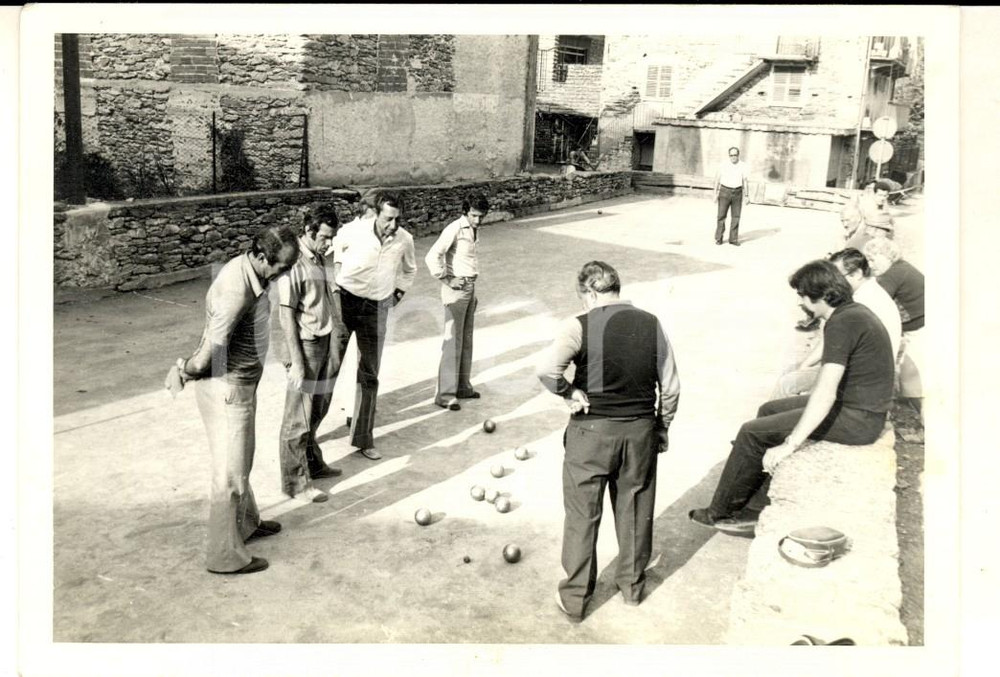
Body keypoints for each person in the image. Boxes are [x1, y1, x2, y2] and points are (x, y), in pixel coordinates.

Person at [690, 260, 895, 535]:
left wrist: (791, 442)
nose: (801, 302)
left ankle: (724, 511)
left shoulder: (842, 323)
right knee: (769, 409)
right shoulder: (852, 312)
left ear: (822, 296)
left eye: (802, 295)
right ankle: (757, 497)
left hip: (859, 419)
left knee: (750, 432)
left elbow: (825, 390)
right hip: (860, 408)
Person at [537, 261, 681, 622]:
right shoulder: (651, 323)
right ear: (616, 288)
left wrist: (570, 391)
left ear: (589, 293)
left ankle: (575, 599)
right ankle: (632, 587)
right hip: (639, 432)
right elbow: (672, 386)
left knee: (583, 515)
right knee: (634, 508)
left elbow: (546, 370)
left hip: (591, 433)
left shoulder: (579, 325)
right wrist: (661, 427)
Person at [163, 225, 300, 575]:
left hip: (240, 387)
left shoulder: (251, 272)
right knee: (229, 474)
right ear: (258, 256)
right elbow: (213, 345)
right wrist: (187, 369)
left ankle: (247, 524)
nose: (281, 275)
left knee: (241, 462)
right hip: (226, 390)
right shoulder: (236, 288)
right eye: (279, 268)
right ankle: (224, 556)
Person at [329, 191, 417, 461]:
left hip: (377, 308)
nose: (393, 225)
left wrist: (397, 294)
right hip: (345, 303)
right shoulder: (352, 231)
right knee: (329, 367)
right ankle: (309, 438)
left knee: (369, 374)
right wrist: (336, 278)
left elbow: (410, 270)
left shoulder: (404, 239)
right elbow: (335, 253)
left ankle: (363, 438)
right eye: (388, 219)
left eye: (397, 220)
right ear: (376, 214)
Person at [276, 204, 345, 504]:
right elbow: (285, 315)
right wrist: (296, 362)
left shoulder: (320, 257)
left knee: (318, 407)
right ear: (309, 231)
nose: (330, 244)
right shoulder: (293, 264)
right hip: (304, 346)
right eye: (326, 237)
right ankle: (295, 483)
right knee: (298, 417)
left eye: (332, 238)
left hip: (325, 339)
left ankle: (313, 462)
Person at [772, 248, 902, 398]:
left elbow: (838, 348)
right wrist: (806, 365)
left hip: (862, 378)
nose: (833, 282)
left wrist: (806, 366)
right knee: (790, 371)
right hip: (861, 368)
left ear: (857, 274)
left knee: (788, 383)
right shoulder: (866, 294)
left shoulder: (864, 302)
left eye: (838, 276)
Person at [425, 193, 489, 411]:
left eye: (481, 216)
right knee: (452, 341)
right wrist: (447, 279)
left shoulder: (473, 229)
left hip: (470, 288)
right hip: (456, 291)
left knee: (466, 339)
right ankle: (445, 395)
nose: (477, 220)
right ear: (465, 211)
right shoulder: (454, 228)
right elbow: (432, 255)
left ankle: (462, 386)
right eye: (473, 215)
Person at [863, 237, 925, 403]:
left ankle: (921, 415)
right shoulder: (900, 268)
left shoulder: (893, 274)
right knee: (911, 371)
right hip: (918, 326)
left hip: (920, 329)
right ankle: (916, 407)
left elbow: (874, 301)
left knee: (914, 372)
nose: (869, 265)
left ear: (886, 256)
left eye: (872, 259)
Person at [713, 146, 749, 246]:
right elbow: (716, 180)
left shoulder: (743, 166)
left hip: (738, 192)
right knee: (721, 216)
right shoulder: (723, 165)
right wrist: (715, 194)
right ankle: (719, 238)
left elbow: (745, 181)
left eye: (735, 155)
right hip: (724, 191)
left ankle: (733, 239)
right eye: (731, 155)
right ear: (729, 155)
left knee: (736, 217)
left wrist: (746, 195)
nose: (733, 157)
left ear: (738, 155)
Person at [845, 180, 895, 251]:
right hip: (865, 232)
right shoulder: (866, 204)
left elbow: (890, 223)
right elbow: (855, 220)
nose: (882, 198)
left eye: (885, 196)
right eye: (880, 195)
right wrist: (850, 231)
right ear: (874, 194)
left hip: (880, 235)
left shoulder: (885, 204)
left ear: (887, 195)